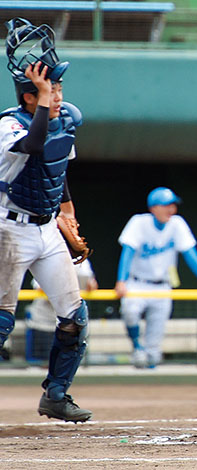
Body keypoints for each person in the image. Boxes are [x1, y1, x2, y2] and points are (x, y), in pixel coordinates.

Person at [0, 18, 92, 422]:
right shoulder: (8, 124)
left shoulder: (62, 121)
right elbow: (34, 145)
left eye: (57, 89)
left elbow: (57, 170)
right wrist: (39, 97)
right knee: (2, 322)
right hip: (9, 229)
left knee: (75, 318)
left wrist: (67, 214)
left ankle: (56, 394)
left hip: (46, 228)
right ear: (29, 94)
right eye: (50, 89)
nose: (57, 95)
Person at [115, 187, 197, 368]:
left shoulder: (177, 224)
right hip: (137, 283)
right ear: (153, 208)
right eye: (166, 205)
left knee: (154, 344)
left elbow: (191, 255)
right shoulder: (139, 222)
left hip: (163, 286)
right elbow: (127, 252)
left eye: (173, 205)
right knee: (130, 312)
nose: (171, 210)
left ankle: (150, 370)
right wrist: (121, 280)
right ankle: (137, 346)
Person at [26, 261, 97, 363]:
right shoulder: (48, 259)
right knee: (46, 363)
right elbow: (40, 288)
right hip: (45, 323)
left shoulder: (82, 261)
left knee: (69, 363)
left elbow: (92, 285)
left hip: (70, 324)